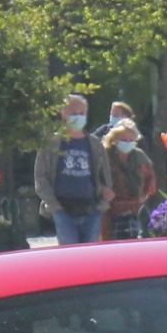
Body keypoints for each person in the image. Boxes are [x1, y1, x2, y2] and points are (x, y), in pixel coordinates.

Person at [35, 94, 109, 245]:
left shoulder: (95, 144)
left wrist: (104, 198)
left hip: (92, 209)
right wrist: (54, 205)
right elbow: (40, 177)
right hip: (63, 210)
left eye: (82, 113)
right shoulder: (50, 144)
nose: (78, 117)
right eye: (73, 113)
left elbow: (105, 177)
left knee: (89, 257)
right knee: (69, 256)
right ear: (63, 114)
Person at [102, 120, 156, 240]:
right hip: (111, 210)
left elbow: (150, 178)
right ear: (114, 139)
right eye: (124, 140)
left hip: (135, 208)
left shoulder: (139, 156)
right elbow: (97, 178)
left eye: (131, 140)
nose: (128, 143)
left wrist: (144, 194)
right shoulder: (105, 155)